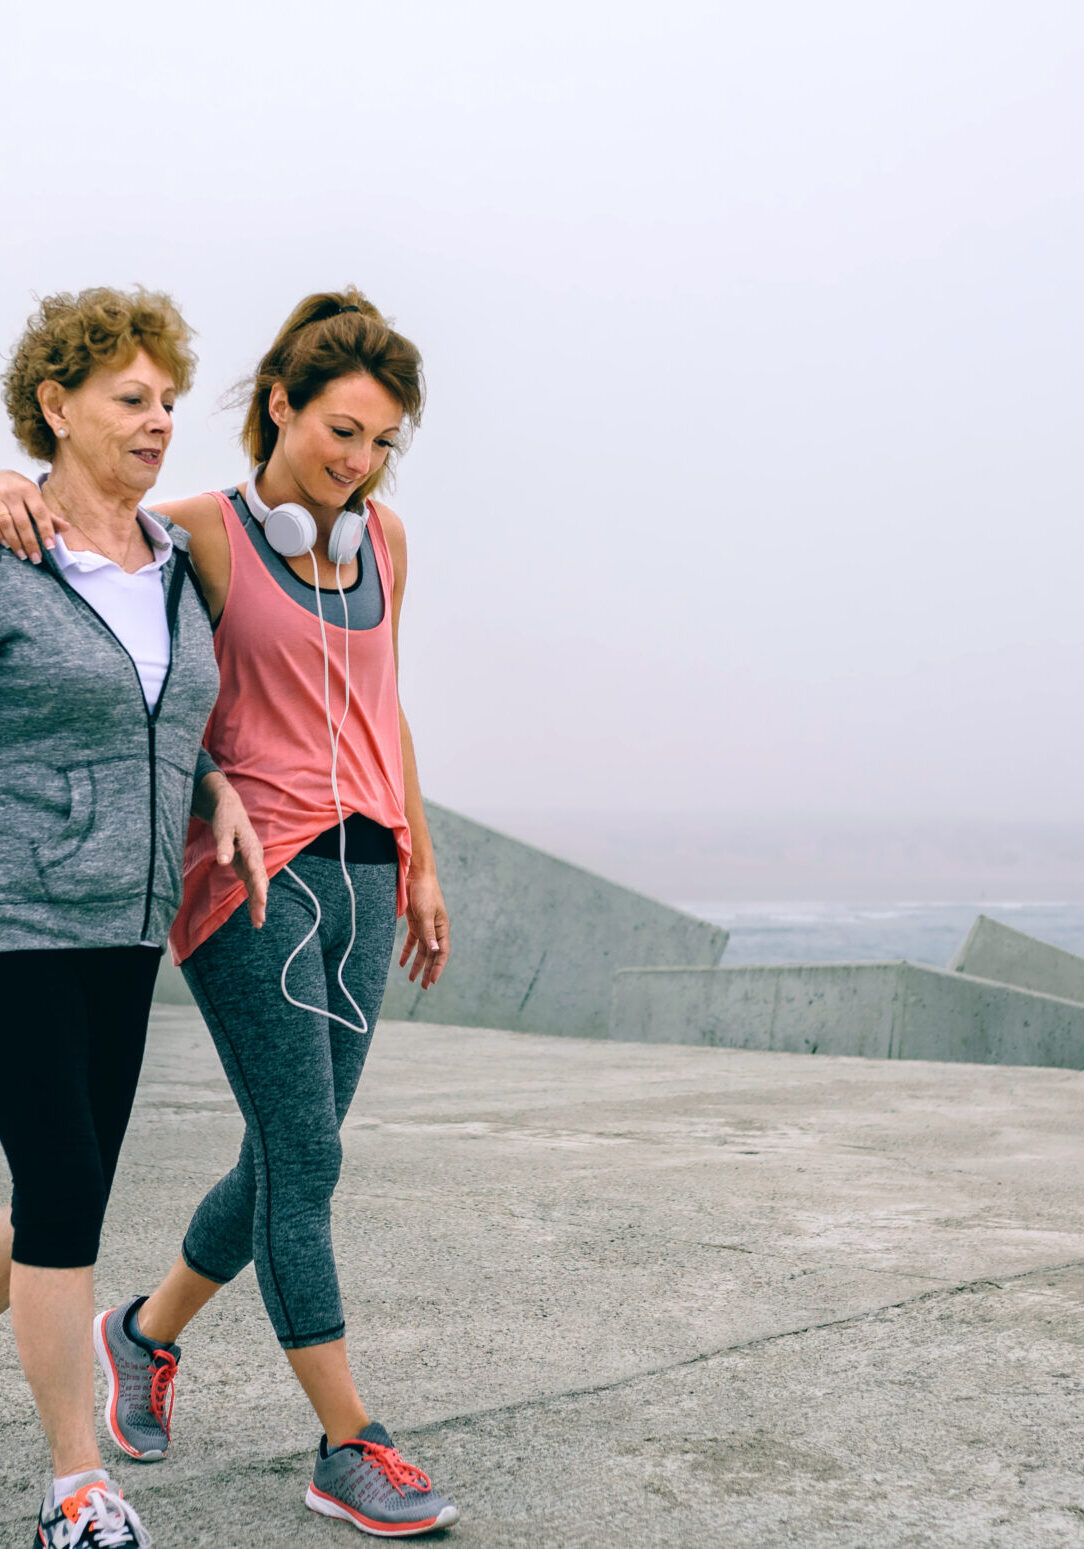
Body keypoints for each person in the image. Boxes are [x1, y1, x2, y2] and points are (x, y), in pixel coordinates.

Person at [0, 288, 458, 1537]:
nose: (357, 464)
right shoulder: (199, 531)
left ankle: (140, 1334)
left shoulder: (386, 544)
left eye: (381, 444)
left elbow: (387, 703)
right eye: (340, 432)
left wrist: (417, 854)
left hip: (365, 873)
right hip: (249, 876)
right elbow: (75, 540)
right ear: (279, 407)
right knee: (307, 1157)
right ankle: (349, 1441)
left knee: (280, 1153)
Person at [0, 287, 267, 1549]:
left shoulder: (172, 568)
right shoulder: (8, 542)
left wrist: (219, 795)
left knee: (65, 1194)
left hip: (126, 926)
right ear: (54, 406)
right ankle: (74, 1485)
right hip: (15, 918)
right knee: (62, 1204)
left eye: (167, 400)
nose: (160, 420)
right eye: (130, 399)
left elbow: (171, 716)